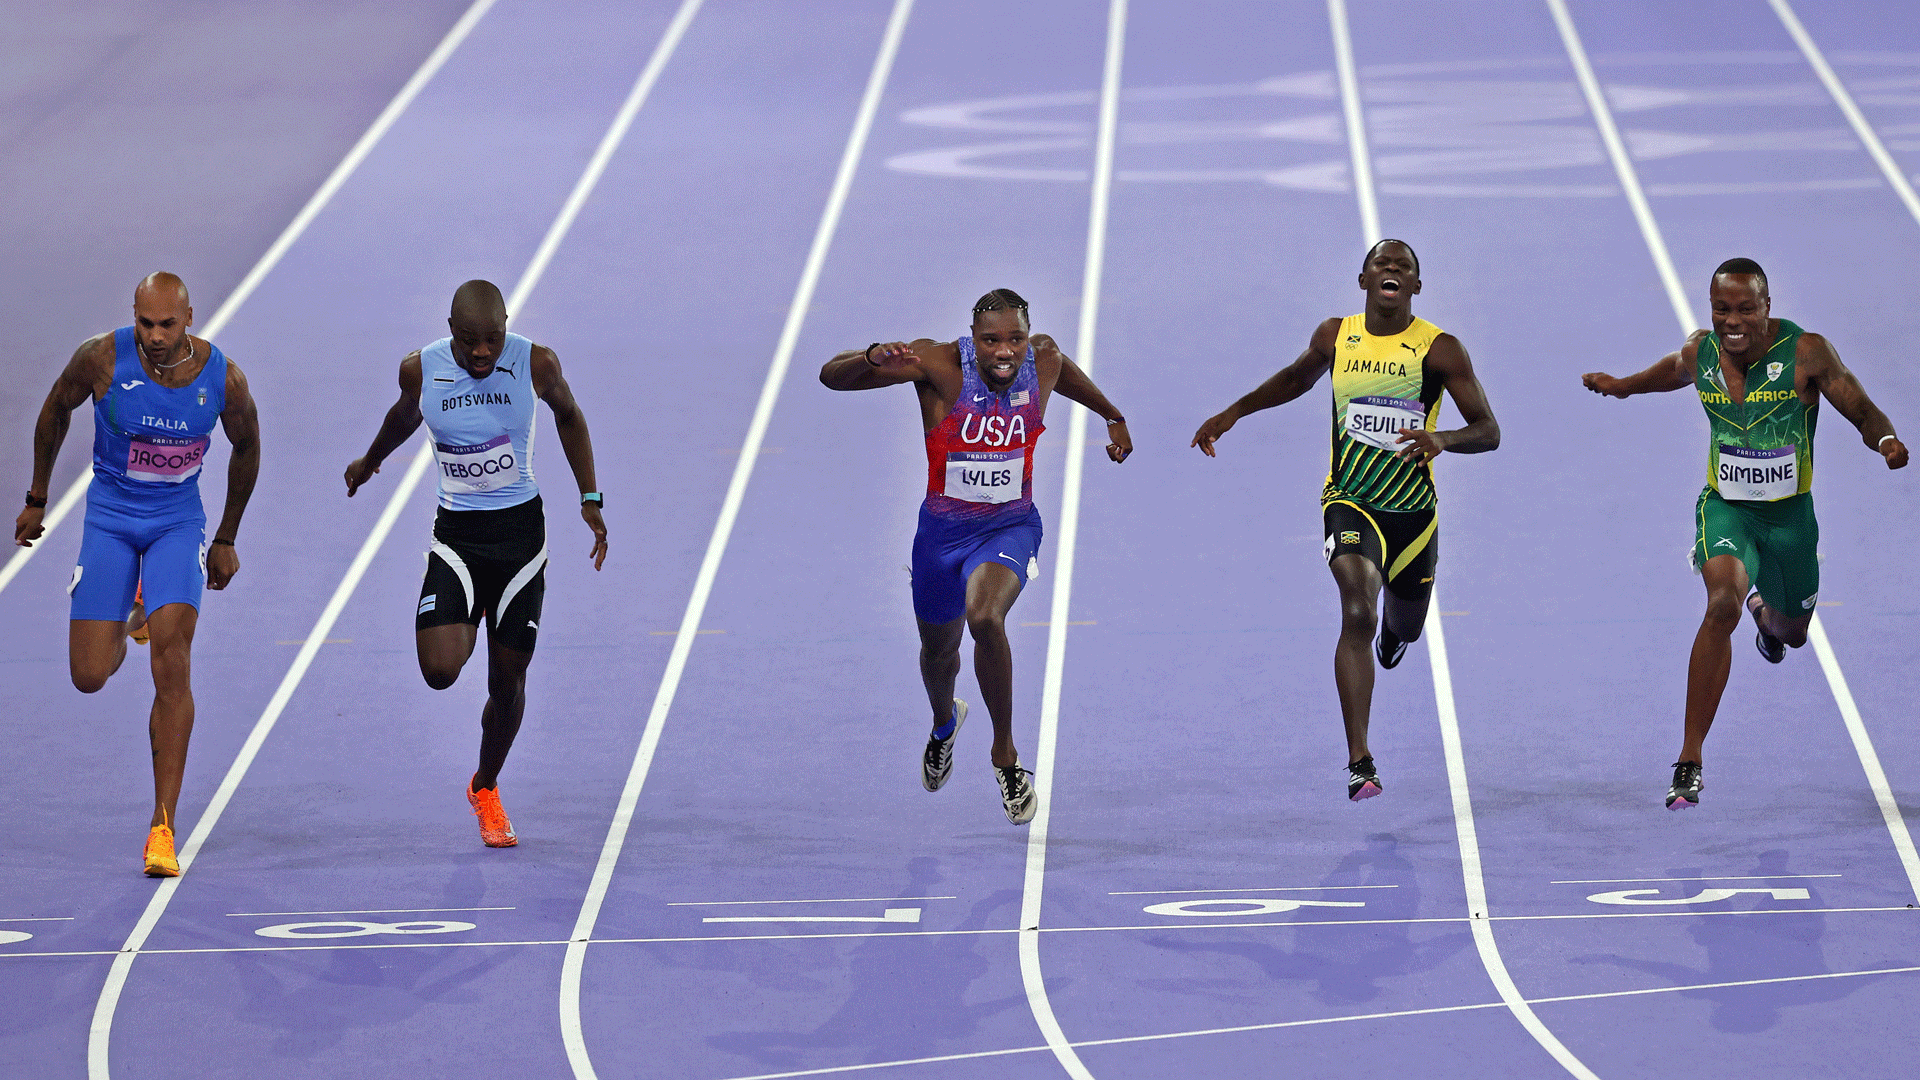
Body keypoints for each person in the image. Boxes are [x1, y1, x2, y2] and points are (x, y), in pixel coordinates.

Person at [1582, 258, 1906, 809]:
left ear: (1767, 307)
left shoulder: (1807, 354)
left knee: (1792, 632)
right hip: (1726, 509)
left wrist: (1886, 441)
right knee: (1719, 606)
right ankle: (1689, 758)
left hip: (1789, 520)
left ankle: (1766, 615)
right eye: (1721, 309)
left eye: (1745, 309)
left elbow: (1858, 405)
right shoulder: (1701, 351)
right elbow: (1671, 371)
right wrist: (1622, 388)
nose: (1733, 321)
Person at [1192, 240, 1500, 801]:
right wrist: (1233, 412)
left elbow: (1488, 430)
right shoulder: (1337, 336)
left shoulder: (1440, 350)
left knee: (1404, 625)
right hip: (1350, 500)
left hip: (1413, 516)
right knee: (1356, 607)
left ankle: (1394, 633)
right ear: (1363, 280)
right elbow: (1294, 378)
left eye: (1403, 267)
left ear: (1415, 287)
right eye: (1382, 264)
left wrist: (1442, 439)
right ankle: (1360, 759)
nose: (1391, 270)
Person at [820, 289, 1131, 824]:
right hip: (940, 537)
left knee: (986, 616)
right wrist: (872, 357)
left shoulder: (1045, 358)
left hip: (1010, 525)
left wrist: (1112, 414)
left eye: (1015, 339)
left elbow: (1068, 374)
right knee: (938, 653)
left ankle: (1005, 755)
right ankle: (945, 723)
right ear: (973, 340)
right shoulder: (936, 363)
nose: (1005, 352)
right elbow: (831, 376)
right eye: (991, 341)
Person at [345, 280, 607, 846]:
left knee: (507, 684)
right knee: (440, 672)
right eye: (469, 341)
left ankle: (485, 787)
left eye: (493, 339)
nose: (483, 352)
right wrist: (370, 461)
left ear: (508, 326)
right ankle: (469, 612)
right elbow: (404, 415)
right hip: (458, 537)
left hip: (519, 541)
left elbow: (570, 417)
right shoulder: (421, 369)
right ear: (450, 331)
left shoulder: (536, 363)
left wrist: (590, 499)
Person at [15, 272, 261, 876]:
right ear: (134, 317)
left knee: (172, 661)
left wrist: (226, 536)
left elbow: (248, 446)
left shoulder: (222, 379)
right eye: (145, 323)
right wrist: (38, 496)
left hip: (177, 523)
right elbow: (55, 408)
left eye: (166, 324)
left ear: (189, 319)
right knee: (89, 675)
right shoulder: (101, 358)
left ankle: (163, 825)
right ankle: (132, 612)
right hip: (111, 519)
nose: (154, 336)